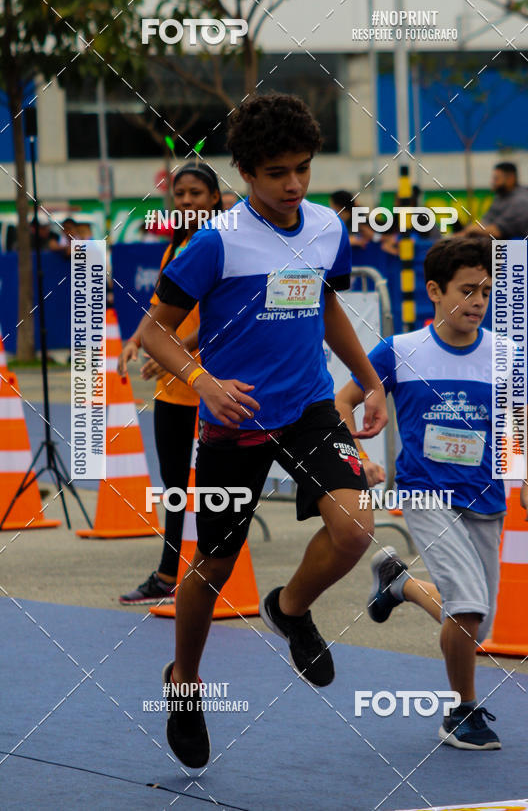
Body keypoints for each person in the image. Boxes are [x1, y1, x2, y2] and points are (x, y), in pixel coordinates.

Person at [140, 92, 388, 768]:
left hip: (308, 407)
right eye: (278, 172)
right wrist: (204, 383)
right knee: (214, 568)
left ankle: (290, 607)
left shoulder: (324, 228)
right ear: (247, 173)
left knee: (355, 529)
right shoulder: (213, 244)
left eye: (303, 168)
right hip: (233, 421)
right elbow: (152, 333)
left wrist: (370, 381)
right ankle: (184, 683)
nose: (294, 184)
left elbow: (328, 308)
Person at [335, 236, 528, 751]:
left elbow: (527, 420)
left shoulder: (505, 354)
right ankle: (461, 712)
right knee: (468, 608)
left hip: (487, 499)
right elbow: (341, 402)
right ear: (434, 290)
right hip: (425, 494)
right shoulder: (401, 351)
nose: (478, 302)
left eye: (486, 292)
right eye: (466, 290)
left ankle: (398, 583)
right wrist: (358, 461)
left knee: (474, 620)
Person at [118, 163, 222, 604]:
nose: (187, 202)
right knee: (175, 483)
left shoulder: (223, 245)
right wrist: (138, 339)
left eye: (197, 194)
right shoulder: (175, 249)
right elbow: (161, 307)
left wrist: (176, 353)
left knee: (219, 484)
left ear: (215, 197)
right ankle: (167, 574)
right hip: (173, 391)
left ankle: (212, 574)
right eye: (180, 195)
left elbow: (223, 316)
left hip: (213, 385)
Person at [464, 162, 528, 239]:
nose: (493, 182)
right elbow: (486, 222)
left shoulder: (521, 201)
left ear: (510, 179)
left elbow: (499, 231)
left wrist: (473, 229)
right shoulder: (500, 197)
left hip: (514, 248)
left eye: (496, 179)